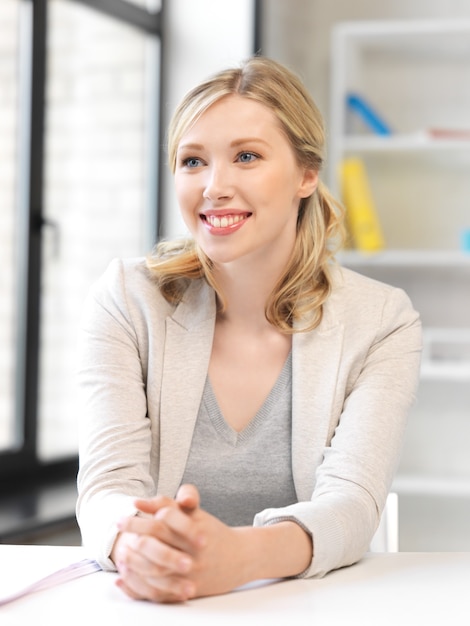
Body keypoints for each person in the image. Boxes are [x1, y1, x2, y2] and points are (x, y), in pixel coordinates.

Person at [76, 56, 422, 603]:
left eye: (246, 157)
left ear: (307, 174)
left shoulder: (382, 321)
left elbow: (352, 503)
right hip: (157, 606)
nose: (215, 187)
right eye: (193, 161)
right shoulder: (126, 299)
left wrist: (237, 558)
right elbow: (106, 491)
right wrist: (137, 547)